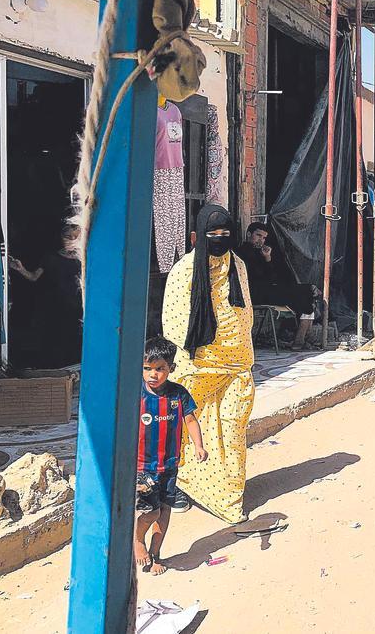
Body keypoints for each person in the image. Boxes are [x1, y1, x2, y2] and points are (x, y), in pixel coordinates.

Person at [162, 204, 255, 524]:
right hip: (196, 364)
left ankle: (226, 494)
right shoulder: (184, 271)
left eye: (225, 234)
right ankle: (177, 486)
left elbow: (244, 314)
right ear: (197, 237)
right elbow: (173, 320)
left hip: (235, 364)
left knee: (230, 427)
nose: (219, 239)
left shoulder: (237, 266)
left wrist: (242, 352)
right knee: (184, 425)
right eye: (212, 234)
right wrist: (178, 365)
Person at [136, 337, 207, 575]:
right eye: (147, 368)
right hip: (142, 467)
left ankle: (156, 554)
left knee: (165, 511)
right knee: (150, 511)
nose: (153, 374)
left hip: (169, 465)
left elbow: (190, 420)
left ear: (171, 369)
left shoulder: (179, 395)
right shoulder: (136, 395)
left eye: (160, 369)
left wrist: (199, 445)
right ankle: (137, 540)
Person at [234, 221, 321, 350]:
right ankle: (304, 337)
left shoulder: (260, 254)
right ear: (248, 234)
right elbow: (256, 277)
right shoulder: (241, 252)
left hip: (267, 291)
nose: (261, 240)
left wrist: (268, 258)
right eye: (258, 236)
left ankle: (301, 338)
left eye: (264, 238)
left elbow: (271, 278)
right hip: (254, 294)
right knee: (307, 292)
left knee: (307, 295)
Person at [9, 224, 84, 367]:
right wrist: (20, 269)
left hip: (77, 309)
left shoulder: (83, 258)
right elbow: (33, 277)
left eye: (76, 238)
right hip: (54, 308)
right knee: (55, 341)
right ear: (61, 238)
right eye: (68, 237)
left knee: (75, 341)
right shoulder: (51, 258)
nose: (71, 241)